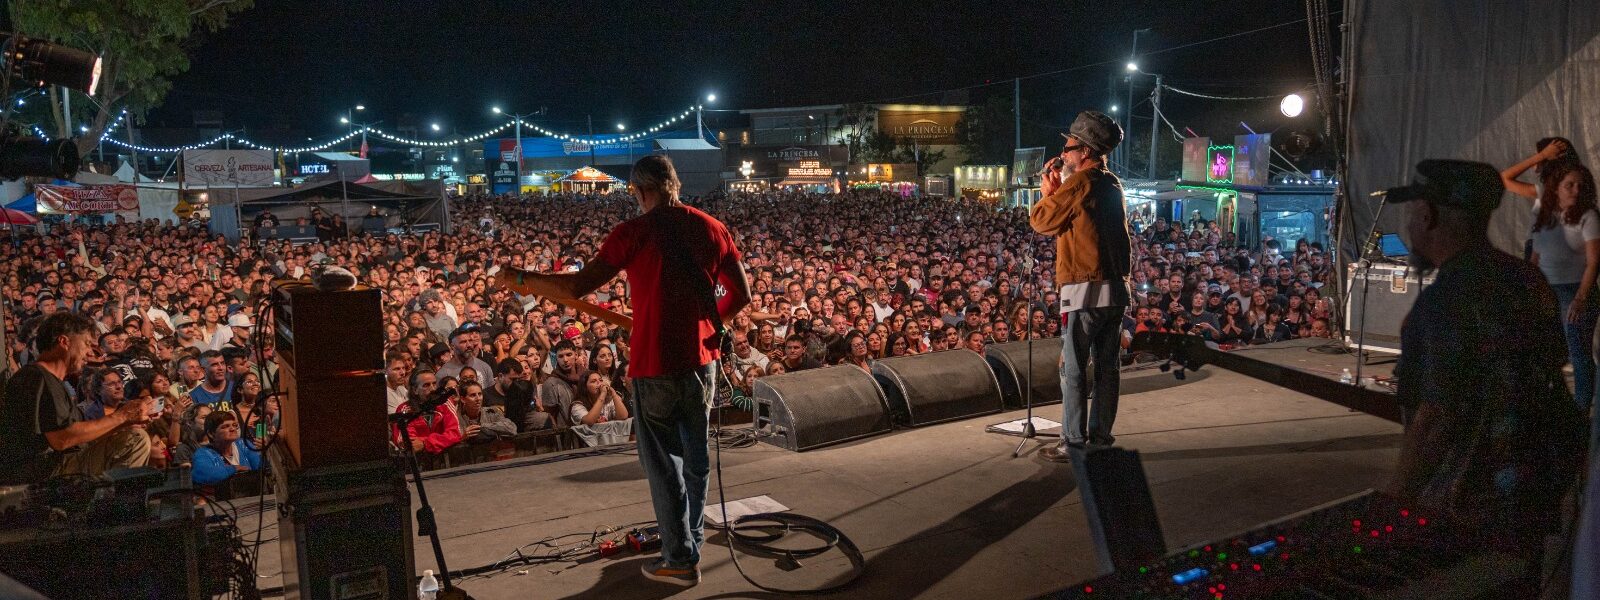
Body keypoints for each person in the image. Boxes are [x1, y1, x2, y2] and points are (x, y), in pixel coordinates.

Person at [512, 156, 751, 586]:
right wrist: (711, 324)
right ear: (675, 184)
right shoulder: (712, 227)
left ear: (641, 191)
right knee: (695, 459)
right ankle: (690, 543)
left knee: (663, 464)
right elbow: (741, 294)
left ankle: (679, 560)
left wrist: (521, 280)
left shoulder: (634, 232)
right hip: (703, 361)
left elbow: (576, 286)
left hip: (655, 362)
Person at [1387, 160, 1586, 564]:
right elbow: (1551, 362)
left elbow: (1437, 415)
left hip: (1466, 509)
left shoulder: (1444, 301)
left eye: (1412, 213)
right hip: (1531, 494)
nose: (1409, 226)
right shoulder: (1527, 280)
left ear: (1428, 216)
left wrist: (1396, 502)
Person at [1029, 110, 1129, 462]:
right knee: (1106, 368)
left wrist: (1047, 193)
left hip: (1085, 289)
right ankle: (1100, 437)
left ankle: (1072, 442)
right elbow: (1075, 222)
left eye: (1069, 148)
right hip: (1115, 289)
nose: (1064, 154)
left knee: (1072, 368)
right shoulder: (1111, 182)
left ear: (1085, 151)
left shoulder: (1081, 182)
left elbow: (1042, 220)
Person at [0, 313, 153, 484]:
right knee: (135, 440)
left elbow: (78, 435)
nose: (90, 352)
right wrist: (122, 416)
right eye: (86, 344)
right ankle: (113, 499)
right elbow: (62, 438)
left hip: (57, 464)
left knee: (130, 435)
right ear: (64, 342)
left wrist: (126, 422)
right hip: (44, 472)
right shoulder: (36, 378)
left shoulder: (50, 380)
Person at [1524, 162, 1600, 411]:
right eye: (1570, 185)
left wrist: (1580, 298)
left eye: (1580, 186)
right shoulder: (1545, 215)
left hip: (1574, 289)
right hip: (1546, 290)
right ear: (1556, 187)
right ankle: (1549, 406)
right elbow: (1535, 256)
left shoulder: (1588, 217)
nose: (1576, 190)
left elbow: (1594, 261)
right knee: (1544, 350)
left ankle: (1581, 409)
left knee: (1578, 351)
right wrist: (1530, 290)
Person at [191, 410, 261, 486]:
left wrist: (267, 452)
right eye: (225, 426)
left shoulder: (244, 444)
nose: (232, 429)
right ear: (211, 433)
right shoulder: (203, 453)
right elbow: (200, 474)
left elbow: (261, 469)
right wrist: (234, 469)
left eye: (234, 425)